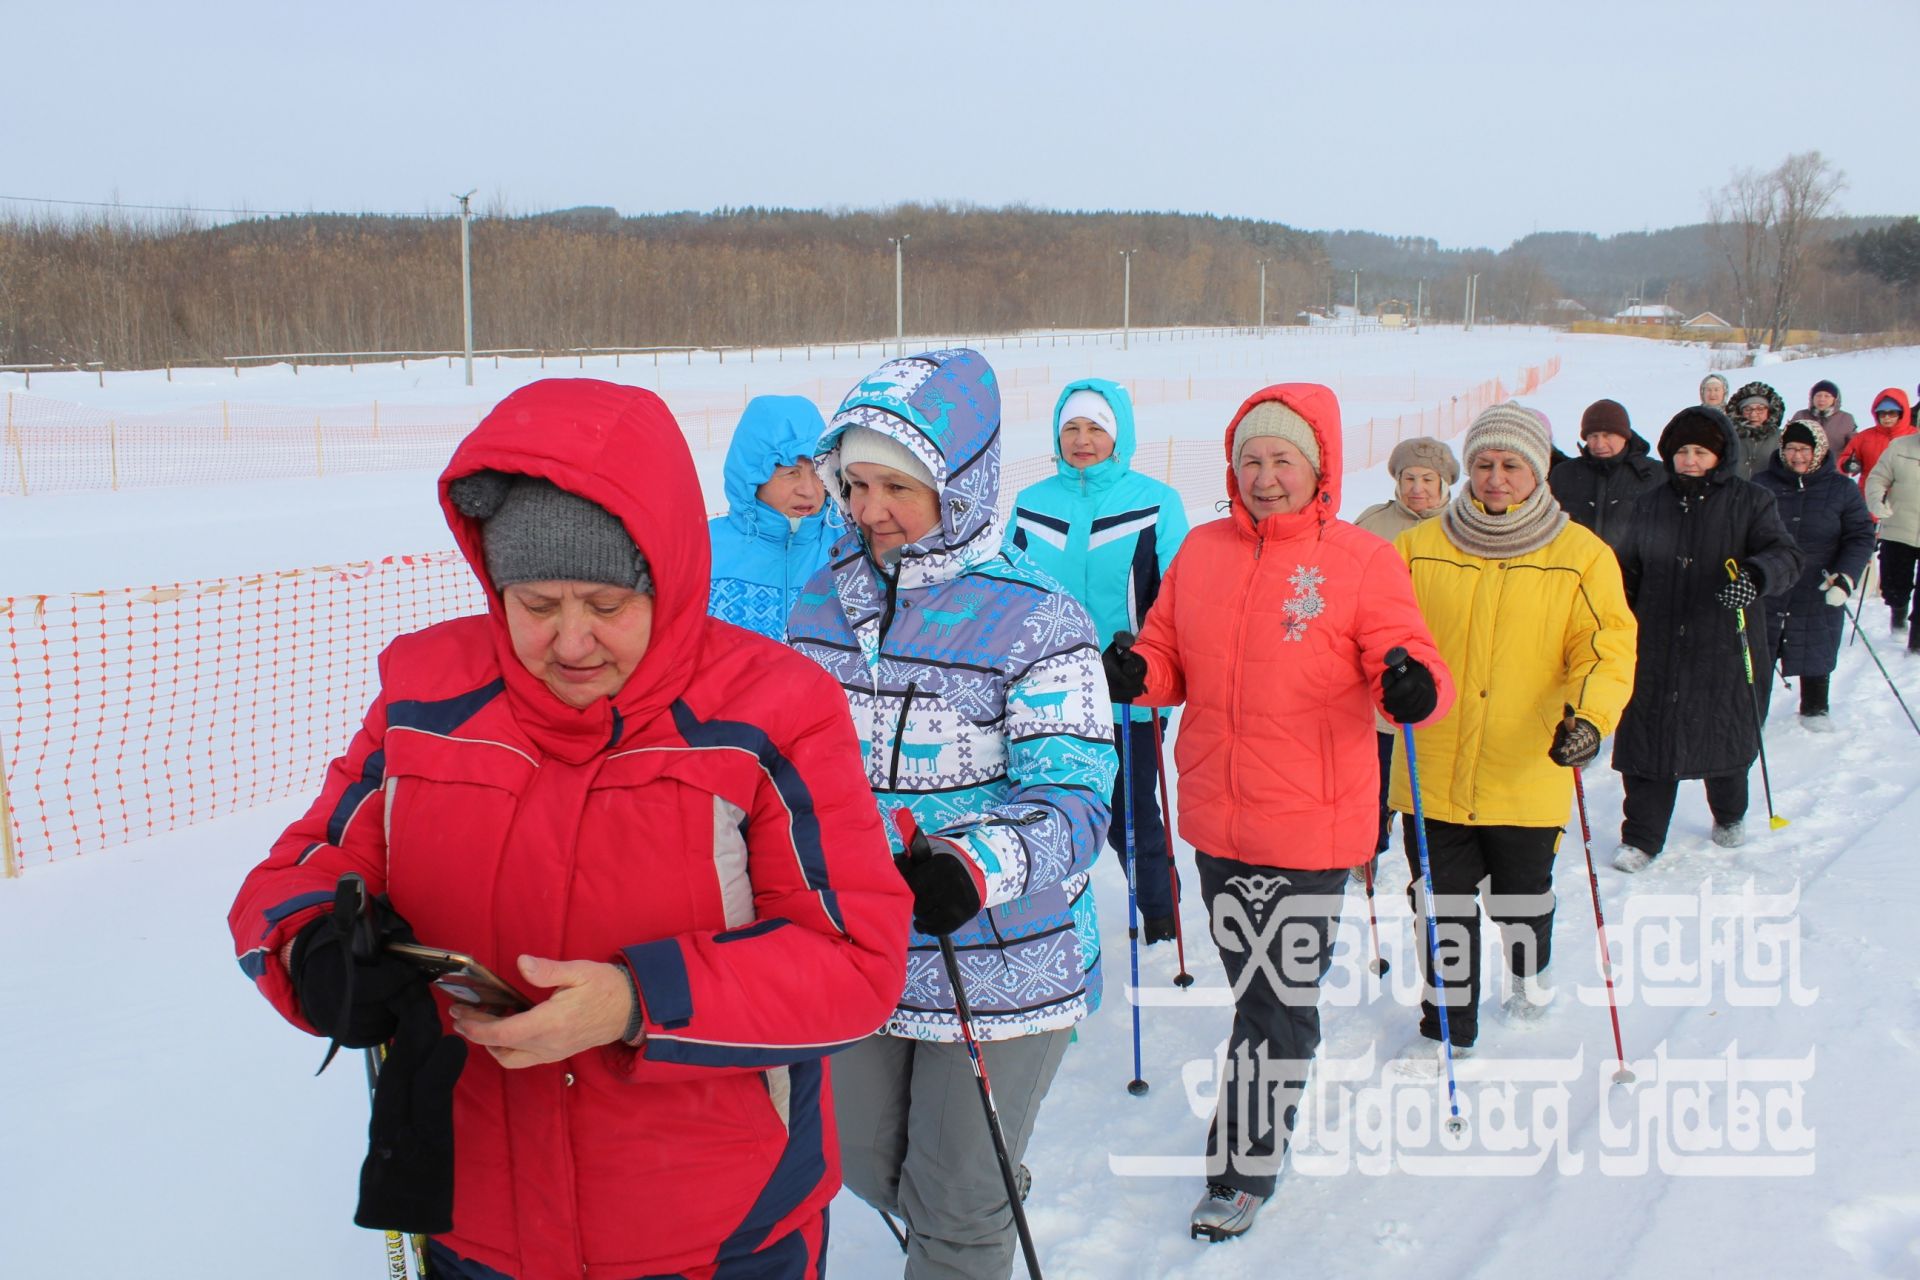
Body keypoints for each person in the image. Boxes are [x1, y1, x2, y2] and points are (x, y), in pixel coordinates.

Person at [227, 379, 912, 1280]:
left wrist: (638, 1002)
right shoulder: (426, 698)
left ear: (664, 580)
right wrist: (315, 954)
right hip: (478, 1226)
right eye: (538, 605)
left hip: (717, 1235)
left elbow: (855, 959)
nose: (572, 642)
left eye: (605, 603)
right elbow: (302, 870)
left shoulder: (773, 714)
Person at [787, 348, 1116, 1280]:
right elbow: (789, 763)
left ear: (960, 483)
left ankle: (968, 1213)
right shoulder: (821, 602)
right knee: (859, 1160)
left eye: (898, 485)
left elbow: (1076, 794)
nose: (869, 510)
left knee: (960, 1208)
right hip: (856, 944)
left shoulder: (1038, 617)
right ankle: (965, 1193)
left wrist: (975, 866)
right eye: (853, 483)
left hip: (1001, 957)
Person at [1103, 383, 1453, 1241]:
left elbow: (1416, 667)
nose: (1264, 477)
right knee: (1256, 987)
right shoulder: (1204, 553)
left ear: (1319, 467)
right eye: (1250, 460)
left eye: (1281, 460)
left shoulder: (1363, 560)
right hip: (1219, 816)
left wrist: (1411, 686)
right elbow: (1167, 654)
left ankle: (1242, 1168)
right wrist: (1136, 672)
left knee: (1272, 997)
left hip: (1311, 821)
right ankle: (1272, 1087)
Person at [1389, 404, 1637, 1059]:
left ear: (1540, 471)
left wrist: (1587, 719)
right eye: (1483, 464)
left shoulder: (1581, 556)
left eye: (1511, 466)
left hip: (1527, 765)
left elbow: (1605, 648)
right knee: (1439, 902)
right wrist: (1394, 680)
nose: (1495, 478)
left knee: (1520, 897)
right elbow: (1381, 637)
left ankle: (1529, 972)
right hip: (1432, 764)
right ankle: (1448, 1023)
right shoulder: (1417, 548)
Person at [1008, 378, 1189, 942]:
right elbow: (1011, 589)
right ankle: (1044, 923)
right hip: (1049, 693)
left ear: (1119, 436)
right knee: (1051, 808)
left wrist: (1147, 662)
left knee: (1129, 816)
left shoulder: (1155, 501)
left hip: (1128, 690)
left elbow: (1179, 596)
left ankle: (1160, 912)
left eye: (1095, 429)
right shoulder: (1032, 503)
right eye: (1071, 428)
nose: (1082, 440)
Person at [1609, 405, 1803, 872]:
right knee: (1649, 741)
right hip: (1655, 642)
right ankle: (1641, 837)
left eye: (1700, 452)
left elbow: (1785, 554)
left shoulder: (1751, 501)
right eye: (1681, 452)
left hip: (1724, 642)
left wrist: (1757, 575)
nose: (1690, 460)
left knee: (1724, 732)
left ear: (1720, 455)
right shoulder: (1649, 503)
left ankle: (1730, 814)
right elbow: (1625, 570)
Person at [1354, 435, 1459, 860]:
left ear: (1444, 483)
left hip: (1441, 667)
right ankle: (1369, 847)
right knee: (1377, 769)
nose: (1417, 487)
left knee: (1428, 774)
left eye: (1427, 478)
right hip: (1382, 667)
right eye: (1409, 477)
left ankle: (1430, 848)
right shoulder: (1372, 524)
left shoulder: (1463, 526)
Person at [1752, 419, 1875, 726]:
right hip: (1770, 586)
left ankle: (1815, 711)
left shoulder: (1842, 489)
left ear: (1819, 450)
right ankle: (1752, 717)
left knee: (1816, 646)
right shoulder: (1761, 485)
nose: (1797, 456)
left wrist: (1846, 577)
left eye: (1804, 449)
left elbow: (1860, 536)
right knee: (1758, 656)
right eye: (1791, 448)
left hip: (1819, 585)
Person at [706, 394, 836, 641]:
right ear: (752, 477)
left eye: (817, 473)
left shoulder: (851, 549)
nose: (808, 490)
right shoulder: (704, 551)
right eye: (791, 473)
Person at [1547, 398, 1665, 544]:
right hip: (1577, 564)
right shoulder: (1564, 474)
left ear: (1624, 435)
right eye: (1593, 436)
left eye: (1607, 435)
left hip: (1627, 566)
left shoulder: (1655, 475)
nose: (1600, 444)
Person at [1863, 389, 1920, 646]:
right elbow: (1877, 478)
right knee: (1896, 583)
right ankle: (1898, 614)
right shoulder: (1900, 446)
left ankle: (1916, 643)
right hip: (1899, 525)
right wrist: (1876, 501)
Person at [1840, 387, 1917, 496]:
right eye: (1882, 413)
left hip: (1907, 500)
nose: (1887, 417)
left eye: (1892, 413)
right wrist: (1847, 464)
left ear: (1901, 413)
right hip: (1871, 498)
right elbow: (1844, 458)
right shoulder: (1863, 437)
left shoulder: (1915, 436)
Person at [1727, 380, 1786, 481]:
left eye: (1760, 409)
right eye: (1748, 409)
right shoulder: (1730, 437)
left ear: (1769, 411)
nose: (1753, 414)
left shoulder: (1782, 437)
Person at [1787, 378, 1858, 456]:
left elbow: (1854, 446)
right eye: (1818, 395)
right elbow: (1788, 441)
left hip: (1834, 466)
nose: (1821, 399)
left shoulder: (1846, 418)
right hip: (1804, 465)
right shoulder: (1800, 415)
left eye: (1827, 396)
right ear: (1812, 398)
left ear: (1835, 399)